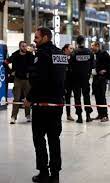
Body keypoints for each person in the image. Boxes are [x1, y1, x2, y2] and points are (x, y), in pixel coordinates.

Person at [24, 27, 67, 183]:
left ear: (46, 37)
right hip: (57, 104)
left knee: (39, 138)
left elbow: (39, 80)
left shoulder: (42, 54)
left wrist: (29, 98)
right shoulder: (60, 54)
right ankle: (55, 175)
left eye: (37, 37)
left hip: (43, 104)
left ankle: (43, 173)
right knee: (54, 139)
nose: (34, 39)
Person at [6, 41, 34, 124]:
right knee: (16, 99)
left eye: (25, 46)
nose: (24, 48)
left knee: (27, 98)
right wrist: (11, 71)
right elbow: (6, 62)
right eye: (23, 46)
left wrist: (30, 73)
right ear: (19, 47)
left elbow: (35, 65)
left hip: (27, 80)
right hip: (17, 79)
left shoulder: (30, 55)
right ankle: (13, 117)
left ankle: (28, 115)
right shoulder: (15, 54)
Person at [71, 35, 93, 123]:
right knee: (86, 97)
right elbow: (92, 66)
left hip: (76, 79)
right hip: (85, 79)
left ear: (77, 42)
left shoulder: (74, 53)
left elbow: (71, 65)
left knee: (77, 98)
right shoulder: (89, 52)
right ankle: (88, 116)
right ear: (83, 41)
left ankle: (79, 117)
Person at [91, 41, 110, 122]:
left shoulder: (104, 54)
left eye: (93, 46)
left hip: (102, 79)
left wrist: (106, 71)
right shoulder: (94, 55)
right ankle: (100, 114)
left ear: (97, 46)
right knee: (97, 97)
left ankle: (105, 115)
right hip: (95, 78)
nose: (91, 47)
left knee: (102, 97)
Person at [62, 44, 75, 121]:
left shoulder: (72, 57)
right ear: (66, 49)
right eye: (70, 48)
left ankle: (68, 114)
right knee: (59, 99)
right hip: (61, 81)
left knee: (68, 99)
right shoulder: (61, 56)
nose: (72, 50)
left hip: (70, 81)